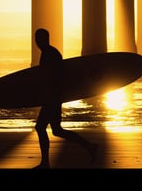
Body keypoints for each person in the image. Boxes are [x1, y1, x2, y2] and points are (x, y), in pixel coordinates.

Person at [33, 28, 98, 168]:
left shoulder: (49, 54)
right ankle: (89, 146)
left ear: (45, 39)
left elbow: (54, 77)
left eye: (39, 39)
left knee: (41, 127)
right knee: (55, 130)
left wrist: (49, 95)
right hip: (53, 97)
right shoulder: (49, 52)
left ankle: (45, 163)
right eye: (36, 39)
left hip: (52, 98)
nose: (37, 42)